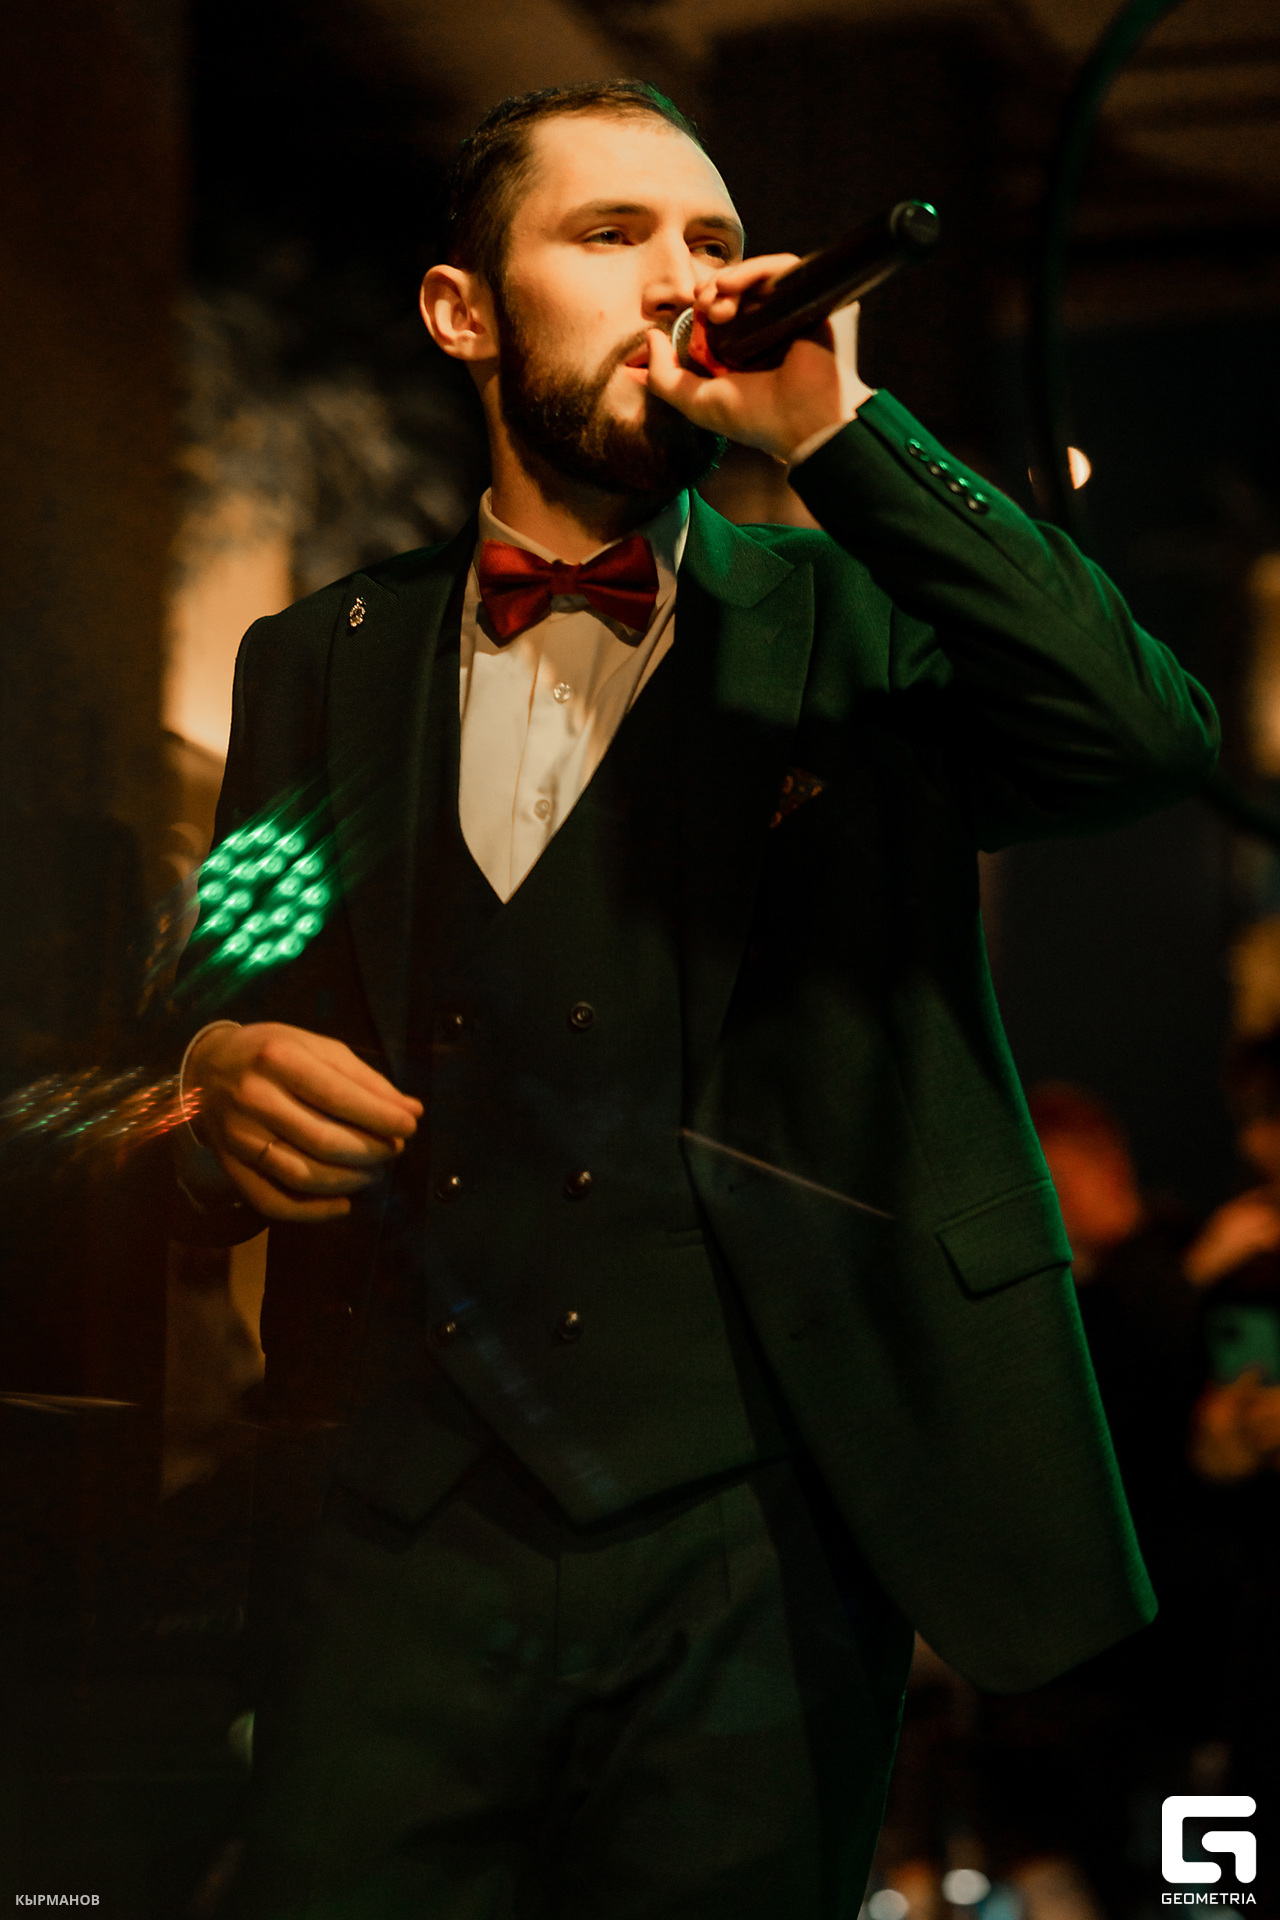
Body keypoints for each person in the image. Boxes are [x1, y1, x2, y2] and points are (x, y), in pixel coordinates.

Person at [171, 82, 1218, 1919]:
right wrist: (215, 1063)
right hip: (389, 1535)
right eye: (613, 234)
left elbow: (1143, 740)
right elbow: (235, 972)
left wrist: (842, 435)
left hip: (762, 1545)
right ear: (463, 312)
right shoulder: (317, 659)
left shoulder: (858, 615)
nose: (684, 279)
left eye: (714, 242)